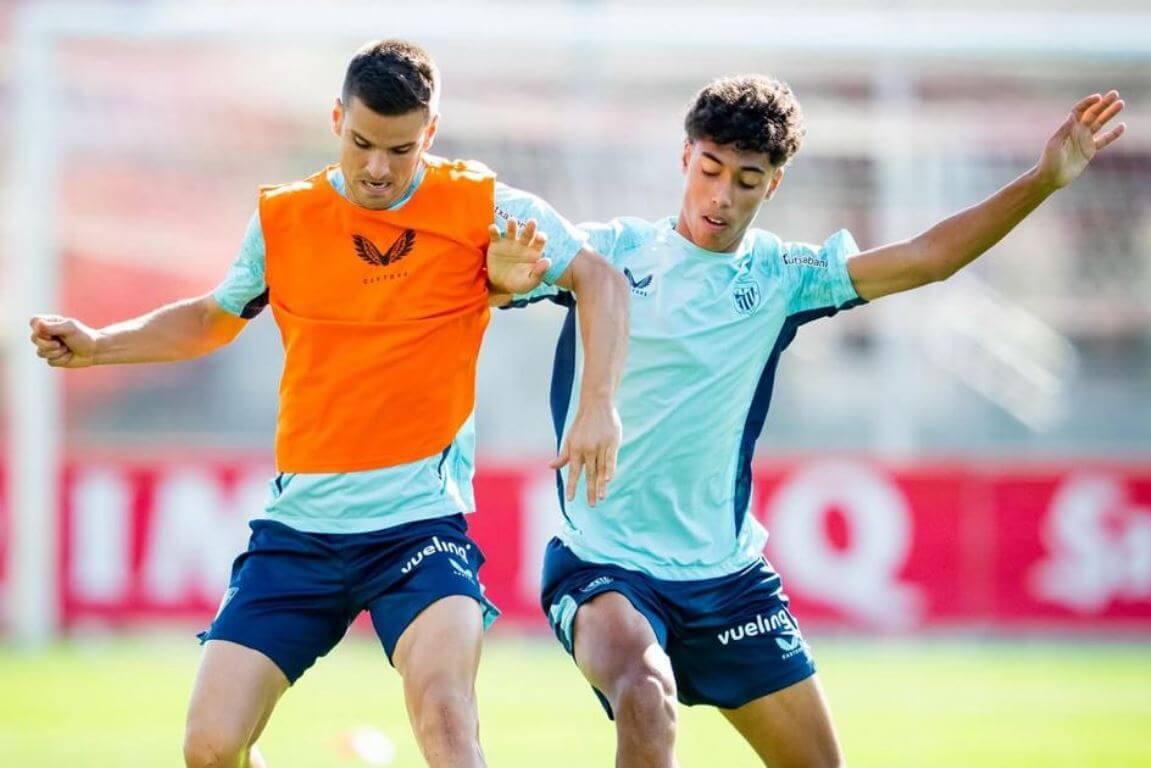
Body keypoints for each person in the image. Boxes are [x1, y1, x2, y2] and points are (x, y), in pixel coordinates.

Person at [28, 39, 628, 768]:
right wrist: (97, 345)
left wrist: (596, 405)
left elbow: (598, 278)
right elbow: (212, 316)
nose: (378, 167)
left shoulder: (483, 207)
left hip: (419, 527)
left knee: (446, 718)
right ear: (336, 119)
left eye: (400, 150)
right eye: (362, 143)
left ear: (430, 134)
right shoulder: (285, 218)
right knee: (210, 748)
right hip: (301, 531)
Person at [505, 77, 1125, 767]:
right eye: (710, 170)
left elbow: (929, 258)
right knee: (646, 694)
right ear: (684, 158)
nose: (721, 195)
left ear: (772, 186)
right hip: (602, 560)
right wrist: (503, 272)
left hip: (727, 576)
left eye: (746, 179)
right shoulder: (606, 253)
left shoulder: (780, 276)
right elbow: (499, 273)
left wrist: (1042, 180)